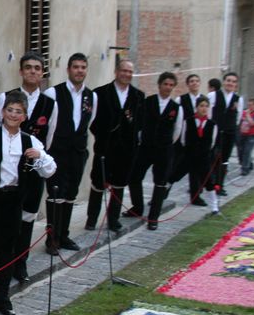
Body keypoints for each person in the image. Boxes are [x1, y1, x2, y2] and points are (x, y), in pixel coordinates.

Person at [0, 92, 56, 315]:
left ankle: (1, 297)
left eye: (19, 112)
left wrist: (40, 156)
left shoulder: (30, 141)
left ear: (24, 116)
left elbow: (50, 169)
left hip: (14, 200)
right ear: (3, 112)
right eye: (10, 110)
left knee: (7, 249)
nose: (14, 115)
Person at [0, 52, 57, 282]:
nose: (32, 71)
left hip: (32, 173)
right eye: (28, 67)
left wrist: (36, 158)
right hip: (7, 172)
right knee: (1, 220)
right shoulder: (5, 97)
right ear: (21, 71)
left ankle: (20, 264)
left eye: (37, 68)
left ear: (42, 73)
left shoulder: (50, 104)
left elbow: (49, 138)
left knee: (27, 218)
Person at [44, 53, 98, 254]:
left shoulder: (92, 96)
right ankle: (52, 239)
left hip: (77, 152)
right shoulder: (53, 93)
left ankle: (64, 235)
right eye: (76, 67)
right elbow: (48, 123)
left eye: (83, 67)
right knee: (55, 194)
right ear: (68, 69)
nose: (79, 71)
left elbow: (89, 121)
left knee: (70, 194)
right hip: (57, 151)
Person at [85, 59, 143, 232]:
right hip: (105, 148)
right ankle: (91, 219)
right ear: (116, 71)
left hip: (126, 150)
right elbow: (92, 121)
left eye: (130, 72)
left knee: (119, 185)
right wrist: (104, 134)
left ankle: (113, 220)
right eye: (124, 70)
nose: (127, 74)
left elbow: (140, 123)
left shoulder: (138, 96)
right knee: (98, 183)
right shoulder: (100, 93)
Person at [127, 72, 183, 230]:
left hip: (164, 150)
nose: (168, 87)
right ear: (159, 85)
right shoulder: (147, 102)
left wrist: (165, 142)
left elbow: (177, 131)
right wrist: (143, 139)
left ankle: (153, 218)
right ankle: (137, 207)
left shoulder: (176, 108)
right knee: (134, 176)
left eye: (171, 85)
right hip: (146, 147)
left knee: (160, 183)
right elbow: (139, 123)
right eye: (165, 84)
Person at [207, 72, 245, 195]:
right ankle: (209, 182)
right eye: (228, 80)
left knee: (224, 159)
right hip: (215, 131)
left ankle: (219, 185)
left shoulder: (238, 99)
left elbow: (238, 117)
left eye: (233, 82)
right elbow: (208, 113)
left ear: (236, 84)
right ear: (224, 82)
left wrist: (231, 127)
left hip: (229, 133)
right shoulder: (213, 95)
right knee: (212, 157)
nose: (230, 83)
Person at [169, 74, 202, 204]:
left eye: (196, 81)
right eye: (191, 81)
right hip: (182, 138)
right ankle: (162, 193)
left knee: (195, 169)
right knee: (174, 167)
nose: (194, 83)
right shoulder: (180, 99)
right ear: (188, 84)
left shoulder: (203, 100)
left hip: (197, 140)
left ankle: (195, 196)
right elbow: (176, 119)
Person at [185, 95, 220, 213]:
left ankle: (214, 206)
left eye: (206, 106)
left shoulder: (212, 124)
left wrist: (205, 151)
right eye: (201, 106)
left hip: (204, 157)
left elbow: (212, 142)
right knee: (177, 175)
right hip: (190, 155)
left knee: (208, 180)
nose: (204, 108)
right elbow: (183, 139)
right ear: (196, 107)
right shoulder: (188, 121)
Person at [237, 98, 254, 175]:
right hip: (243, 134)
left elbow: (252, 123)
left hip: (252, 135)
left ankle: (245, 169)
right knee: (241, 150)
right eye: (248, 105)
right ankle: (250, 163)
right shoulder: (244, 112)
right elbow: (240, 121)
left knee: (247, 151)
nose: (249, 107)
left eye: (251, 105)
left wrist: (247, 115)